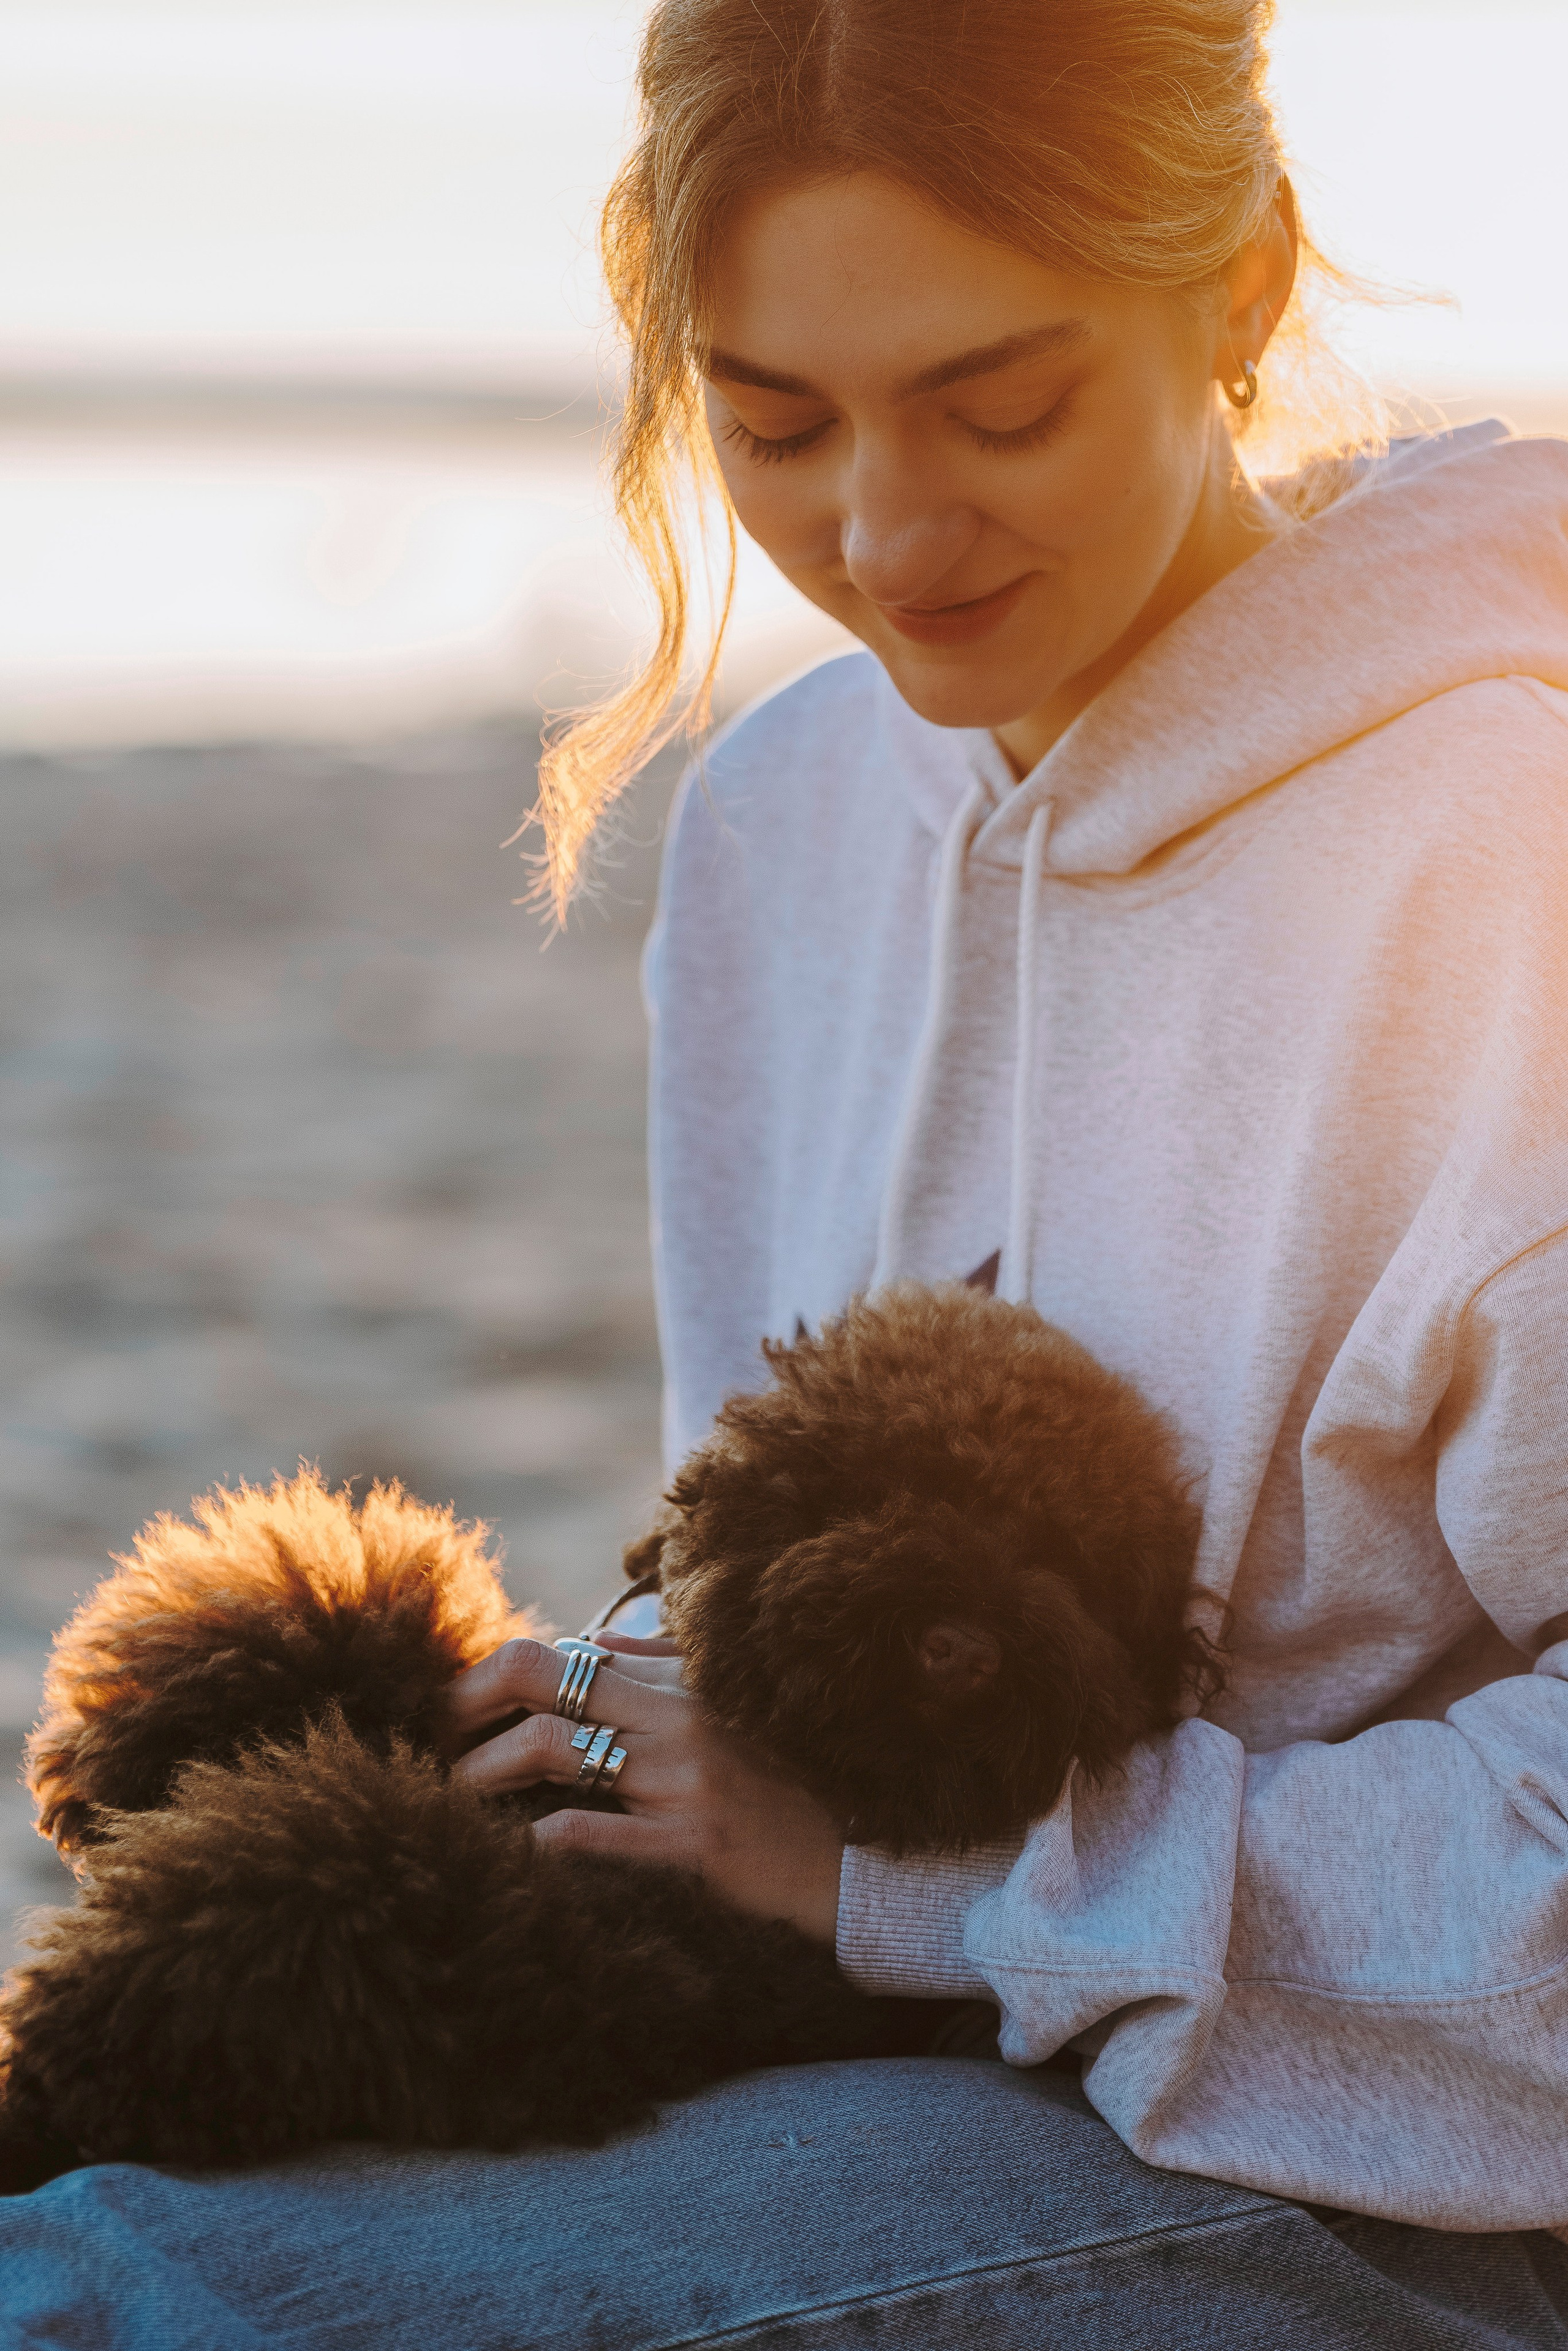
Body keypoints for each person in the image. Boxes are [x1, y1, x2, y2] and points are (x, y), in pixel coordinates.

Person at [6, 3, 1568, 2344]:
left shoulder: (1508, 857)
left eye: (1002, 402)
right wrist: (638, 1746)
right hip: (866, 2061)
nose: (887, 533)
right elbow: (771, 1585)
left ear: (1239, 290)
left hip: (1397, 2200)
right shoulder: (785, 823)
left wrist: (936, 1879)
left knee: (118, 2295)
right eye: (775, 423)